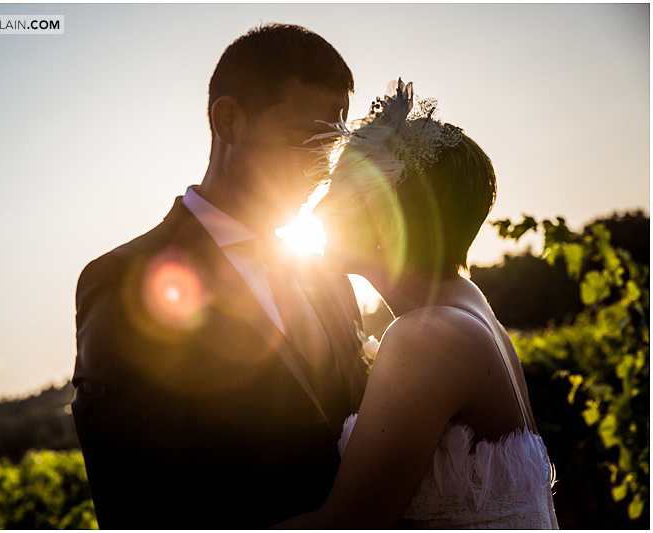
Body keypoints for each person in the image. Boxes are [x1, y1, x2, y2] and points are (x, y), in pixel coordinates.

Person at [70, 24, 369, 529]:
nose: (321, 170)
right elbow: (135, 502)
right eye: (302, 141)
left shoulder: (327, 274)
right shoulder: (124, 281)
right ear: (228, 120)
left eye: (330, 147)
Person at [278, 79, 559, 528]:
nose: (316, 211)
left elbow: (346, 525)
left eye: (340, 194)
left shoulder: (427, 337)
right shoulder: (470, 306)